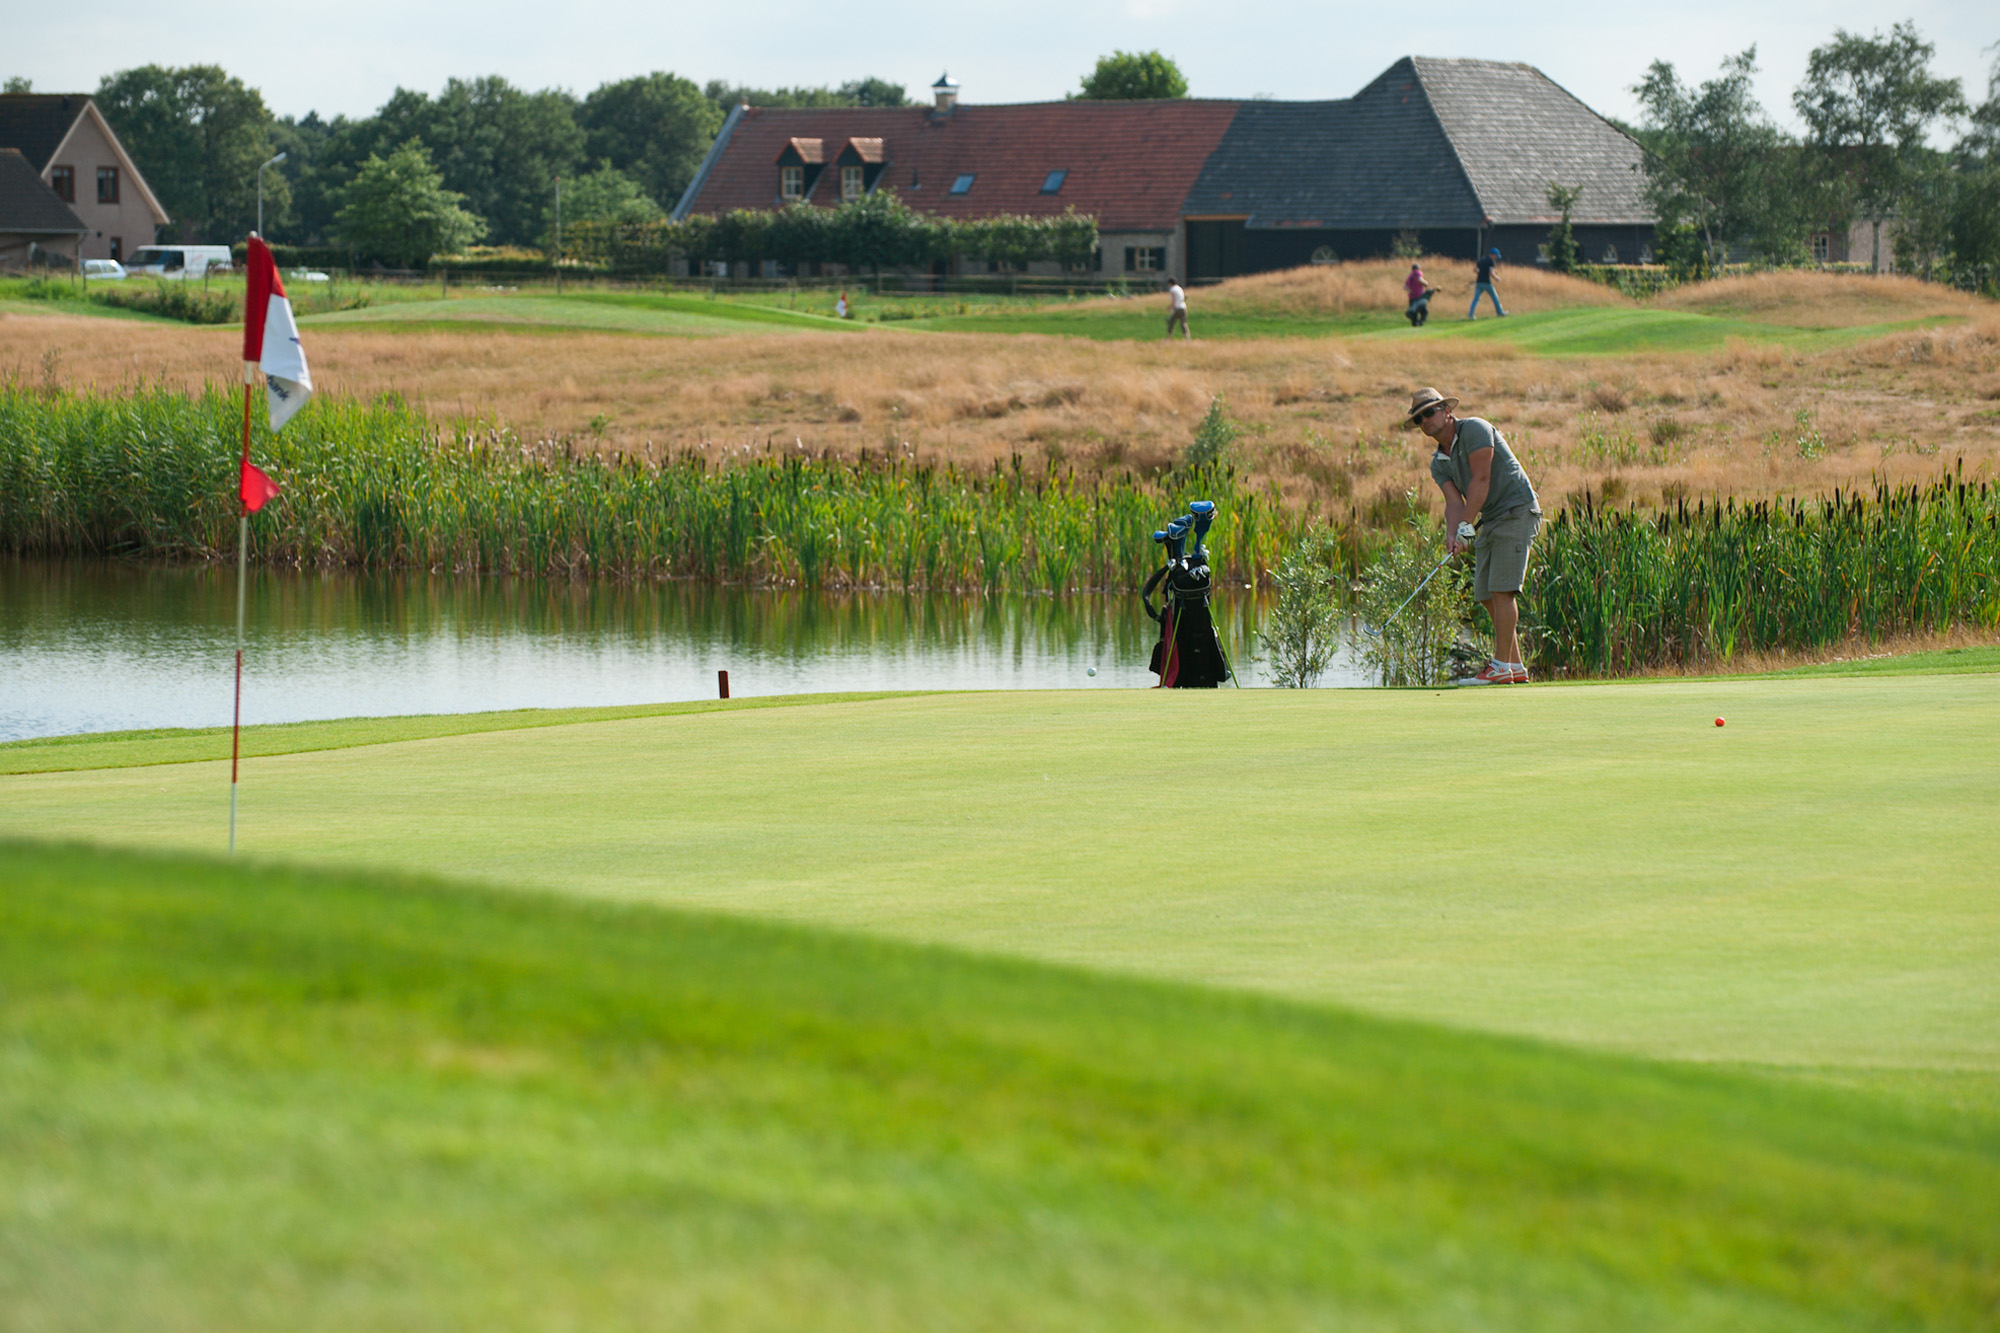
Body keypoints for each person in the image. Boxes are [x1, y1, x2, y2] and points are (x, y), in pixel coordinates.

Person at [1408, 386, 1541, 684]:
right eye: (1419, 419)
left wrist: (1467, 528)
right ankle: (1515, 667)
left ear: (1446, 411)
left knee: (1502, 590)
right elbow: (1455, 502)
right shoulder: (1438, 462)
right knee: (1485, 594)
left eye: (1429, 412)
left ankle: (1499, 666)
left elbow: (1481, 481)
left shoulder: (1476, 429)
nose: (1425, 420)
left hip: (1517, 511)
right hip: (1491, 518)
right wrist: (1453, 535)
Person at [1468, 248, 1504, 319]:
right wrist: (1497, 278)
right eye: (1496, 256)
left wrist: (1481, 273)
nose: (1496, 257)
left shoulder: (1482, 260)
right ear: (1493, 255)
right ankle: (1500, 312)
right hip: (1486, 283)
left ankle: (1471, 315)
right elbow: (1491, 272)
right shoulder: (1491, 262)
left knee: (1475, 299)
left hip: (1479, 282)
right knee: (1495, 297)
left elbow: (1474, 269)